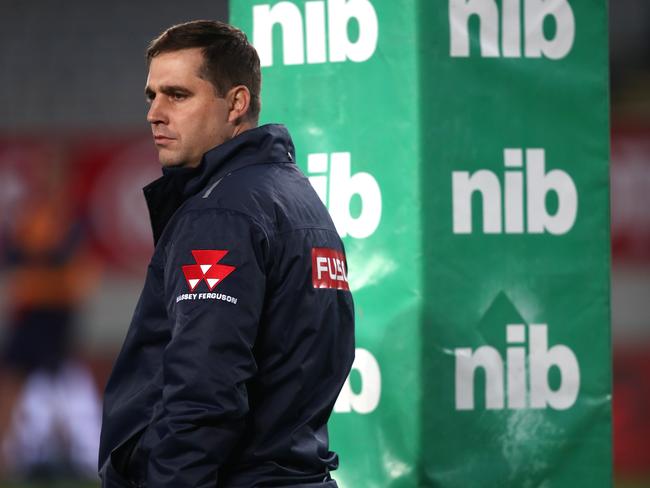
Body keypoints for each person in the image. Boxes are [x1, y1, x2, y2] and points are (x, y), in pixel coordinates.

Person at [98, 20, 355, 488]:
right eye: (151, 96)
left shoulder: (222, 214)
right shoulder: (298, 199)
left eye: (177, 95)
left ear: (236, 103)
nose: (155, 113)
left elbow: (203, 391)